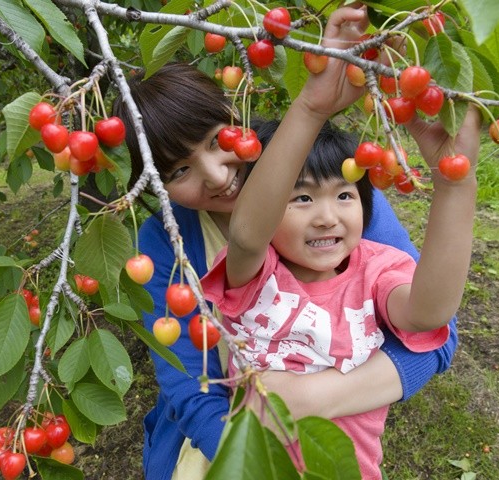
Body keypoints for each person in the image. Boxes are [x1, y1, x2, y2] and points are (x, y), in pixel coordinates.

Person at [111, 6, 469, 479]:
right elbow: (190, 389)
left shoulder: (329, 187)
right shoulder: (177, 249)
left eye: (219, 140)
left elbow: (433, 331)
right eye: (178, 170)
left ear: (236, 113)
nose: (218, 177)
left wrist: (457, 182)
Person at [201, 106, 478, 477]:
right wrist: (311, 108)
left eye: (344, 196)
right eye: (302, 198)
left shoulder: (377, 270)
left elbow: (427, 312)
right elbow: (247, 235)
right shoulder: (255, 275)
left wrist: (454, 187)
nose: (327, 216)